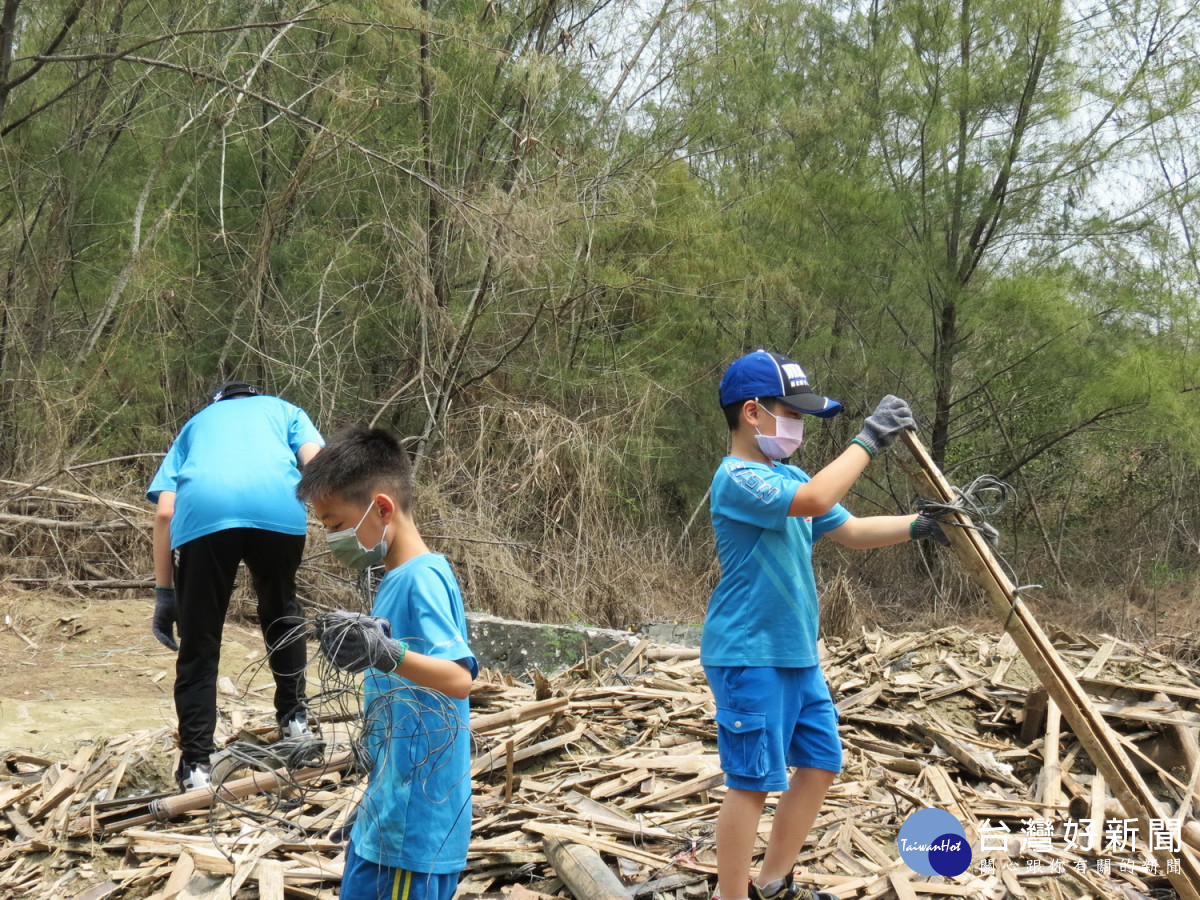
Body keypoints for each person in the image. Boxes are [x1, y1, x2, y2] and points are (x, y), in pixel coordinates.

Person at [705, 350, 947, 900]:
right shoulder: (738, 478)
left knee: (818, 764)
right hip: (748, 654)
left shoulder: (785, 475)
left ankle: (772, 884)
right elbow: (817, 497)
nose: (798, 426)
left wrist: (923, 525)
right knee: (751, 785)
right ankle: (730, 895)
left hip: (795, 654)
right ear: (751, 413)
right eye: (791, 413)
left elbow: (853, 529)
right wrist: (869, 440)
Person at [296, 425, 477, 900]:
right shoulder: (395, 579)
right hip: (389, 811)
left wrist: (384, 653)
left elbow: (459, 679)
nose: (331, 537)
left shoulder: (423, 577)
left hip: (412, 828)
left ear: (381, 508)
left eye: (335, 525)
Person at [147, 380, 324, 792]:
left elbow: (165, 513)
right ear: (255, 397)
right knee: (281, 611)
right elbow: (316, 466)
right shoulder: (286, 411)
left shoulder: (196, 425)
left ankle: (195, 766)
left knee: (200, 639)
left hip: (204, 517)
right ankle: (295, 724)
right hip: (278, 509)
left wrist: (165, 594)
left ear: (217, 403)